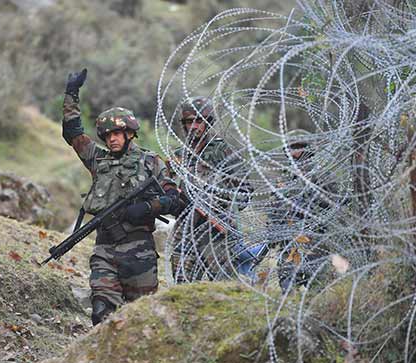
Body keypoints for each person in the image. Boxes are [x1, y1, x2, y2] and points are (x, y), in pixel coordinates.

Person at [62, 68, 180, 325]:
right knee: (101, 312)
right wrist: (71, 94)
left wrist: (149, 207)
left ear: (129, 134)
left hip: (140, 251)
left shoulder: (151, 163)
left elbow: (176, 199)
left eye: (116, 134)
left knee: (142, 320)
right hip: (105, 247)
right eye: (107, 135)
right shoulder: (98, 159)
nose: (111, 139)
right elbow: (72, 133)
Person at [167, 96, 265, 282]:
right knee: (183, 287)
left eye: (199, 121)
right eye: (189, 122)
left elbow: (244, 191)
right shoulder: (179, 157)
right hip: (186, 231)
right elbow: (167, 189)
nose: (194, 126)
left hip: (217, 234)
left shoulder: (223, 151)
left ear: (207, 122)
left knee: (222, 287)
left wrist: (220, 206)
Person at [270, 129, 341, 291]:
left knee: (316, 283)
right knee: (287, 281)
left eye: (297, 147)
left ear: (307, 149)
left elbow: (332, 202)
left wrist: (309, 203)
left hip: (313, 238)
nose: (293, 152)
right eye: (290, 148)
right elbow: (274, 206)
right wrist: (273, 231)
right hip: (288, 238)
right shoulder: (285, 177)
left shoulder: (320, 174)